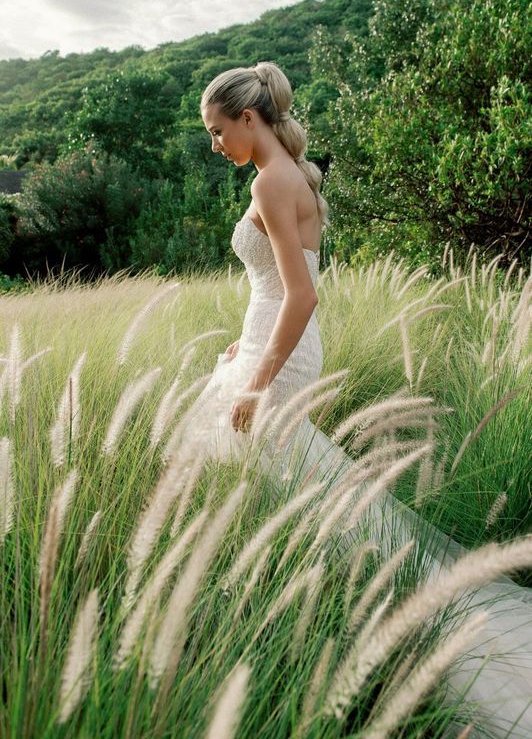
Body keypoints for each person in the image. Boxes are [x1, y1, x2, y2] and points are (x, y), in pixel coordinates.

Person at [174, 61, 532, 737]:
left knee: (274, 479)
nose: (214, 144)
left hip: (281, 353)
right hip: (271, 340)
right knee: (279, 481)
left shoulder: (271, 181)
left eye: (217, 131)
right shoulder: (291, 173)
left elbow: (301, 294)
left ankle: (367, 602)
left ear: (247, 118)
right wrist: (244, 346)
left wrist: (257, 381)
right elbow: (274, 287)